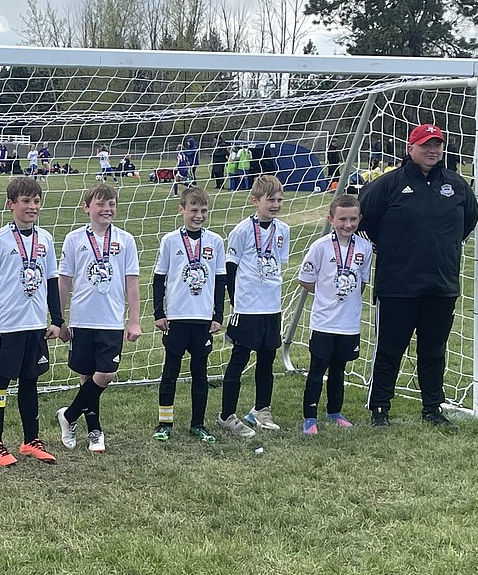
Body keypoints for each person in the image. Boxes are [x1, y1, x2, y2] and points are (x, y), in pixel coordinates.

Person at [360, 123, 478, 430]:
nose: (433, 151)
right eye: (426, 145)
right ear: (411, 148)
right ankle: (380, 410)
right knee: (389, 348)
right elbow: (365, 218)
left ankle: (432, 409)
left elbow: (469, 219)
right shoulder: (388, 184)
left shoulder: (456, 184)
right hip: (398, 284)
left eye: (437, 145)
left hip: (441, 283)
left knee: (434, 350)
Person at [0, 177, 63, 466]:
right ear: (11, 204)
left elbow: (52, 282)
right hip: (8, 326)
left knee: (30, 381)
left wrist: (57, 319)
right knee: (0, 380)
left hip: (35, 325)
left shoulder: (46, 239)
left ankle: (30, 440)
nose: (32, 206)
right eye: (26, 201)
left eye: (36, 201)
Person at [55, 183, 142, 454]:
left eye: (111, 204)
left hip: (111, 321)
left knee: (106, 374)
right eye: (101, 205)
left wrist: (135, 320)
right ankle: (95, 430)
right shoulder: (74, 239)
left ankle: (68, 416)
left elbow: (132, 283)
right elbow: (64, 282)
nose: (107, 210)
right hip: (82, 320)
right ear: (86, 208)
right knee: (86, 376)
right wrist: (59, 320)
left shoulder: (125, 240)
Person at [152, 186, 226, 442]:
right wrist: (159, 313)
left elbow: (220, 281)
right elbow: (159, 279)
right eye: (193, 210)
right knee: (170, 371)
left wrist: (218, 316)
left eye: (203, 211)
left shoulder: (215, 241)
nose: (199, 215)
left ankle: (198, 424)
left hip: (203, 318)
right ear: (181, 210)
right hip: (176, 317)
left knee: (200, 373)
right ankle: (164, 423)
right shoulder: (170, 241)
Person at [218, 175, 289, 437]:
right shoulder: (242, 230)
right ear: (255, 201)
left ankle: (261, 409)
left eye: (279, 199)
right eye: (270, 199)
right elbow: (230, 269)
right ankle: (226, 414)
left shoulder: (283, 230)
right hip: (247, 309)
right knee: (239, 359)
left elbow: (277, 265)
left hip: (272, 308)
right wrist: (237, 302)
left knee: (267, 360)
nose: (276, 204)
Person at [298, 195, 372, 434]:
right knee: (318, 369)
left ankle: (334, 411)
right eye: (342, 219)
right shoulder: (320, 247)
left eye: (352, 219)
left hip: (348, 323)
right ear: (331, 219)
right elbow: (305, 279)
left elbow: (361, 282)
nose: (347, 224)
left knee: (339, 369)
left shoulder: (364, 247)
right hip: (324, 322)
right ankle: (309, 418)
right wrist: (328, 295)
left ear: (359, 219)